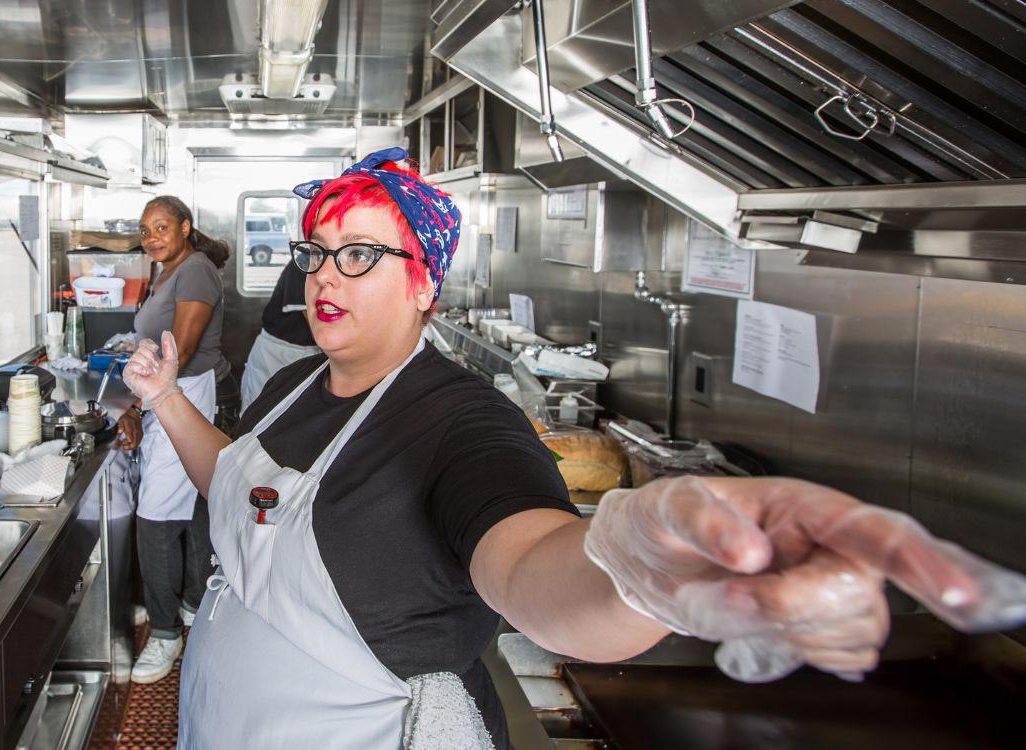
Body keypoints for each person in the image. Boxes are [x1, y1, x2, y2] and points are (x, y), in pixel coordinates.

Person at [122, 149, 1026, 748]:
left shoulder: (460, 422)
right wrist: (164, 399)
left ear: (426, 284)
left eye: (362, 255)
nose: (324, 276)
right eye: (318, 253)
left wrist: (637, 571)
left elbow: (537, 569)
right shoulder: (291, 389)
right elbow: (235, 487)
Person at [114, 195, 229, 684]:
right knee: (184, 507)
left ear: (185, 226)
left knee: (157, 515)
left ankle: (165, 635)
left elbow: (178, 348)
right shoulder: (168, 269)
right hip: (168, 392)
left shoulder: (196, 269)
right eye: (145, 230)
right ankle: (186, 604)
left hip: (185, 392)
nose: (152, 237)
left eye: (162, 227)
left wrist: (137, 406)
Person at [239, 258, 321, 413]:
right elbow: (319, 329)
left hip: (309, 354)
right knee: (260, 418)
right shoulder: (305, 261)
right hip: (278, 355)